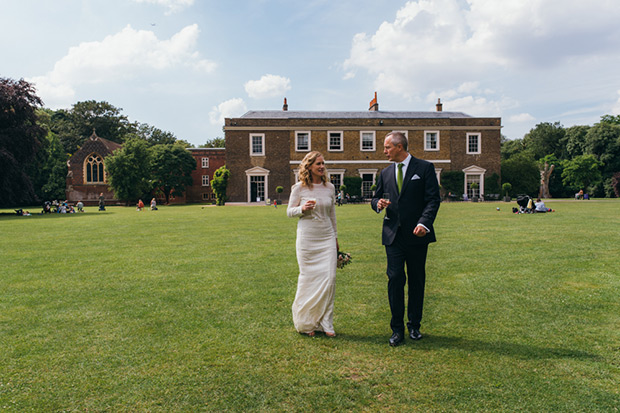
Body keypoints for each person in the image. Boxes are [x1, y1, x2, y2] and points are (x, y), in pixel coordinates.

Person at [371, 131, 441, 347]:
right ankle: (397, 329)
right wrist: (377, 204)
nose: (384, 152)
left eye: (387, 147)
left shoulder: (425, 168)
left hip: (417, 235)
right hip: (393, 236)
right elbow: (375, 197)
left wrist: (424, 223)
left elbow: (432, 200)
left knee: (417, 280)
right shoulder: (384, 173)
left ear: (399, 147)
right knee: (395, 280)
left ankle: (415, 325)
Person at [287, 151, 339, 338]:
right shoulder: (299, 188)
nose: (322, 166)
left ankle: (327, 322)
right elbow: (289, 212)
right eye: (318, 163)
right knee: (308, 279)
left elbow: (332, 215)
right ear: (309, 166)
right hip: (307, 238)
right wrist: (302, 208)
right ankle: (307, 322)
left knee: (329, 279)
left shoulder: (330, 187)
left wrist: (335, 239)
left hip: (326, 238)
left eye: (323, 163)